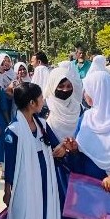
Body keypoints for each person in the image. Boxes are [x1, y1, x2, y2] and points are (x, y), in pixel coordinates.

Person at [3, 82, 66, 219]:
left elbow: (56, 145)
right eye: (41, 98)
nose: (43, 100)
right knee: (27, 210)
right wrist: (7, 190)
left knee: (45, 209)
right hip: (25, 180)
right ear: (32, 103)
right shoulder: (13, 131)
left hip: (45, 177)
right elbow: (10, 163)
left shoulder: (42, 124)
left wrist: (63, 147)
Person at [43, 67, 82, 209]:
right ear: (53, 85)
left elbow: (84, 136)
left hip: (76, 165)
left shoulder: (79, 108)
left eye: (68, 86)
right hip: (53, 169)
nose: (65, 90)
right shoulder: (44, 108)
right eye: (61, 86)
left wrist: (69, 147)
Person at [72, 68, 110, 191]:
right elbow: (77, 147)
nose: (84, 94)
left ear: (97, 92)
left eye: (87, 90)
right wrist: (72, 147)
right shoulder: (86, 117)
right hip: (89, 185)